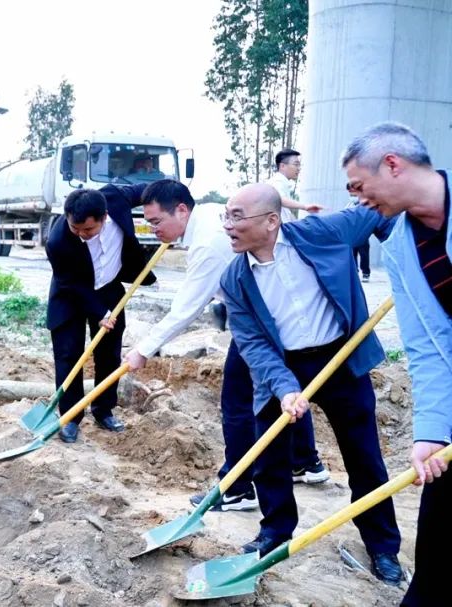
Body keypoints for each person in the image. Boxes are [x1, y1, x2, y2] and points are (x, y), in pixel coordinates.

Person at [219, 183, 402, 585]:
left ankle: (383, 546)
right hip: (282, 365)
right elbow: (252, 342)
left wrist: (404, 246)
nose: (228, 226)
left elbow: (377, 209)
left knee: (364, 455)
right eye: (226, 216)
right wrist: (284, 388)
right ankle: (275, 531)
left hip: (339, 356)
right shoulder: (234, 279)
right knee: (268, 450)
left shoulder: (324, 232)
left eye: (236, 216)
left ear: (271, 221)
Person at [125, 180, 327, 513]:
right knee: (287, 390)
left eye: (157, 222)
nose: (153, 229)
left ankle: (237, 489)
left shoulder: (207, 244)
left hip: (261, 324)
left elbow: (187, 308)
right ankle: (306, 463)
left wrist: (143, 349)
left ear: (181, 210)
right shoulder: (207, 214)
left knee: (237, 401)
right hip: (279, 317)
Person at [341, 122, 451, 605]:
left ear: (392, 163)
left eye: (359, 186)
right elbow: (427, 345)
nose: (360, 200)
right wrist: (431, 430)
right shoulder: (401, 247)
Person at [46, 185, 155, 439]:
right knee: (68, 355)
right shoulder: (58, 241)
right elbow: (69, 282)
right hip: (71, 295)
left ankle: (104, 410)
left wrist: (172, 196)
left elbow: (147, 191)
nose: (81, 235)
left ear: (104, 217)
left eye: (88, 230)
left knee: (109, 353)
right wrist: (99, 312)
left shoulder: (115, 199)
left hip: (109, 287)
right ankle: (70, 417)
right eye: (76, 228)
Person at [265, 149, 324, 221]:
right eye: (296, 164)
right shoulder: (277, 181)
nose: (298, 168)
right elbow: (279, 199)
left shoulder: (282, 183)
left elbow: (286, 213)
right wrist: (305, 207)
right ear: (282, 166)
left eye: (299, 165)